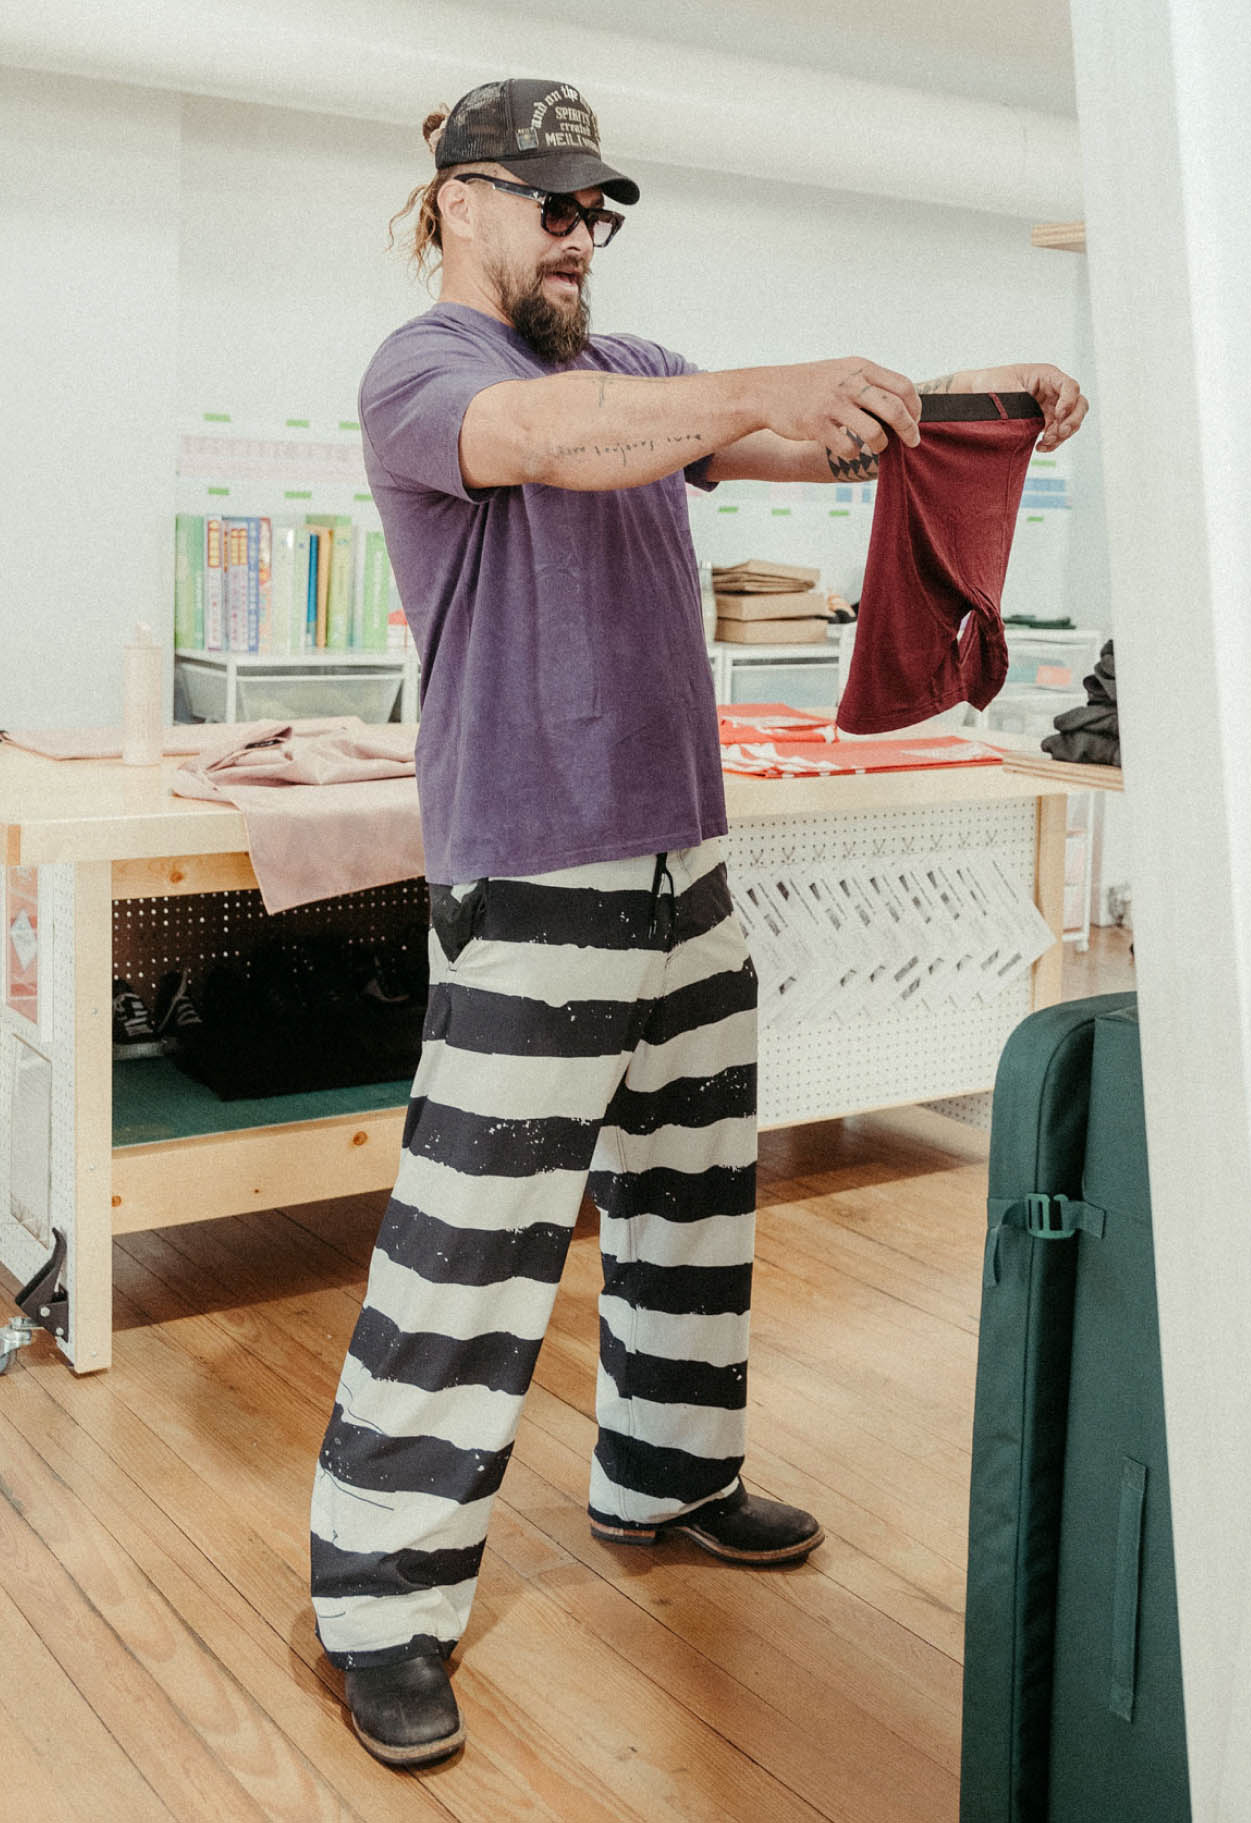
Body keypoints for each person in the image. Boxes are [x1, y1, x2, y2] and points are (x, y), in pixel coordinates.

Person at [308, 76, 1089, 1771]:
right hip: (536, 871)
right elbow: (551, 448)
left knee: (689, 1195)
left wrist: (976, 397)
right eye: (552, 204)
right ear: (458, 203)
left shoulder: (644, 377)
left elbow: (798, 436)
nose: (583, 235)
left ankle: (666, 1479)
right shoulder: (430, 375)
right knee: (473, 1243)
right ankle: (376, 1599)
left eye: (601, 212)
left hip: (682, 861)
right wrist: (780, 386)